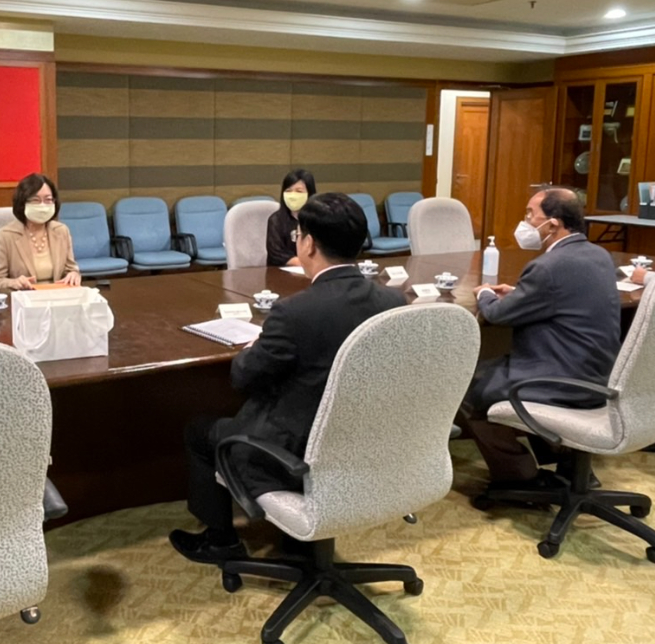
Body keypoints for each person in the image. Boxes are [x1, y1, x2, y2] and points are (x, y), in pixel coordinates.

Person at [170, 193, 405, 564]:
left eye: (298, 235)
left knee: (200, 431)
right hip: (366, 445)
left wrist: (255, 346)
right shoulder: (393, 303)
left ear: (308, 243)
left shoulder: (294, 313)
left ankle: (220, 541)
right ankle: (297, 538)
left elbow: (242, 377)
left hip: (297, 454)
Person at [457, 187, 620, 487]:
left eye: (531, 214)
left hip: (557, 376)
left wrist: (485, 294)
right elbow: (565, 297)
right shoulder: (599, 255)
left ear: (553, 224)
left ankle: (520, 480)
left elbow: (497, 315)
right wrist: (520, 294)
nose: (526, 222)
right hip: (598, 374)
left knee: (465, 388)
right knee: (489, 375)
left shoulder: (548, 266)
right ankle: (570, 464)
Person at [0, 174, 82, 291]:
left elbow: (71, 269)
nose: (42, 205)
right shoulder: (5, 236)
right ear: (22, 203)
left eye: (48, 200)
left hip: (57, 295)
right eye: (35, 200)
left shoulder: (61, 231)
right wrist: (13, 282)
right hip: (24, 297)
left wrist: (74, 274)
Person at [266, 169, 316, 267]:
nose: (293, 196)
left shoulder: (319, 219)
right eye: (288, 191)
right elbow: (276, 254)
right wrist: (302, 263)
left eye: (299, 191)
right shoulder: (276, 220)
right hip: (283, 271)